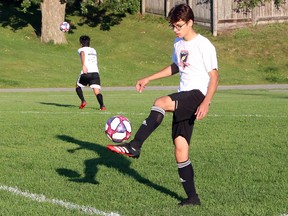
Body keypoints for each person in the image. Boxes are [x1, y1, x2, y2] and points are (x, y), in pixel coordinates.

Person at [107, 4, 218, 206]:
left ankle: (135, 145)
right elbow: (176, 66)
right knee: (180, 148)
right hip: (184, 95)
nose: (176, 30)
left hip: (196, 95)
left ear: (190, 22)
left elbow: (214, 76)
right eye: (173, 26)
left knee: (160, 102)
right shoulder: (178, 43)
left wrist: (206, 102)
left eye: (179, 26)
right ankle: (193, 198)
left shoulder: (204, 44)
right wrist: (148, 78)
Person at [75, 35, 106, 110]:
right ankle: (102, 106)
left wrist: (83, 65)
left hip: (86, 72)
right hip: (95, 73)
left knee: (77, 86)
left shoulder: (81, 49)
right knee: (97, 91)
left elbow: (82, 53)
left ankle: (83, 101)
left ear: (81, 43)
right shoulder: (93, 50)